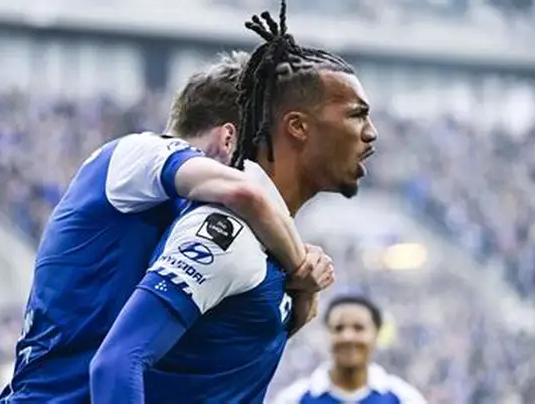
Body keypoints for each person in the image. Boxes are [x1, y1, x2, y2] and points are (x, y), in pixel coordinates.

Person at [89, 1, 378, 402]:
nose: (371, 133)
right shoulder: (226, 232)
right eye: (356, 115)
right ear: (298, 127)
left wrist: (303, 293)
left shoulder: (272, 241)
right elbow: (116, 362)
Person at [0, 51, 315, 403]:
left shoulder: (191, 214)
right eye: (258, 155)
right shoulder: (138, 153)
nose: (262, 172)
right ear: (228, 140)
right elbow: (247, 193)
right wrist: (300, 266)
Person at [273, 295, 427, 404]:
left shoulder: (404, 398)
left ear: (376, 333)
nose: (348, 337)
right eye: (339, 328)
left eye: (358, 328)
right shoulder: (294, 399)